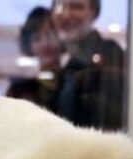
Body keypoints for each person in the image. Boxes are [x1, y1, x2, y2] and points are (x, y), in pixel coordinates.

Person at [51, 0, 126, 131]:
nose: (66, 14)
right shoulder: (54, 59)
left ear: (94, 13)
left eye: (76, 7)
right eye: (60, 6)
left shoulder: (110, 54)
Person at [6, 7, 64, 109]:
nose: (45, 43)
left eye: (51, 35)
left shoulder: (76, 81)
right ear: (29, 44)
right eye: (37, 38)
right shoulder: (19, 90)